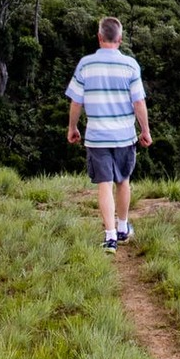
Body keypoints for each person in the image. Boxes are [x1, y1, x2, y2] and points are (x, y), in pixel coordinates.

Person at [65, 16, 152, 252]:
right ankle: (123, 227)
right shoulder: (130, 65)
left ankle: (110, 236)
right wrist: (145, 130)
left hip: (96, 135)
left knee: (104, 184)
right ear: (120, 39)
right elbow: (139, 102)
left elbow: (76, 102)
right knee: (123, 181)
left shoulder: (85, 64)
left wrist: (72, 128)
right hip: (124, 135)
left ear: (99, 37)